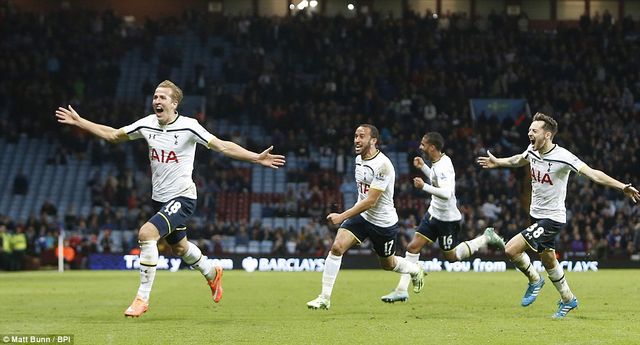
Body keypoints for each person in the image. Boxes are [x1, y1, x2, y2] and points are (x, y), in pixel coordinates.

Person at [56, 80, 285, 317]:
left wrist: (256, 158)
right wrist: (80, 122)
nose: (157, 101)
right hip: (159, 199)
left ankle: (141, 299)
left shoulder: (189, 127)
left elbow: (222, 146)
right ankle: (212, 272)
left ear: (174, 103)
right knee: (180, 248)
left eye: (162, 97)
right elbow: (114, 135)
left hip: (183, 197)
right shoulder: (146, 124)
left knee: (146, 234)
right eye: (155, 97)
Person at [477, 112, 639, 319]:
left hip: (552, 218)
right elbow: (520, 159)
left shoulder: (564, 156)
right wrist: (499, 162)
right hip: (536, 214)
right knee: (549, 260)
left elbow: (593, 173)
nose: (529, 133)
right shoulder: (532, 150)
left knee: (511, 249)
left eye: (534, 131)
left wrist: (621, 186)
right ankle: (568, 299)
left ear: (547, 135)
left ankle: (535, 280)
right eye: (529, 130)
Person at [306, 124, 425, 310]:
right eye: (355, 136)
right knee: (337, 247)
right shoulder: (358, 160)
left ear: (374, 140)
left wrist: (341, 216)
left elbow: (371, 201)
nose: (356, 140)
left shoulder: (383, 166)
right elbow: (363, 198)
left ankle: (415, 270)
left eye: (361, 136)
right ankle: (324, 298)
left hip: (383, 223)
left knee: (389, 264)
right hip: (362, 217)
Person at [381, 132, 505, 303]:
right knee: (412, 247)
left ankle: (485, 238)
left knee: (451, 257)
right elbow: (437, 178)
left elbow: (447, 193)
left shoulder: (444, 165)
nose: (420, 147)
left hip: (447, 219)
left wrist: (423, 186)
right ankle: (401, 290)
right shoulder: (438, 163)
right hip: (433, 213)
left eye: (423, 144)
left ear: (432, 147)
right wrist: (424, 167)